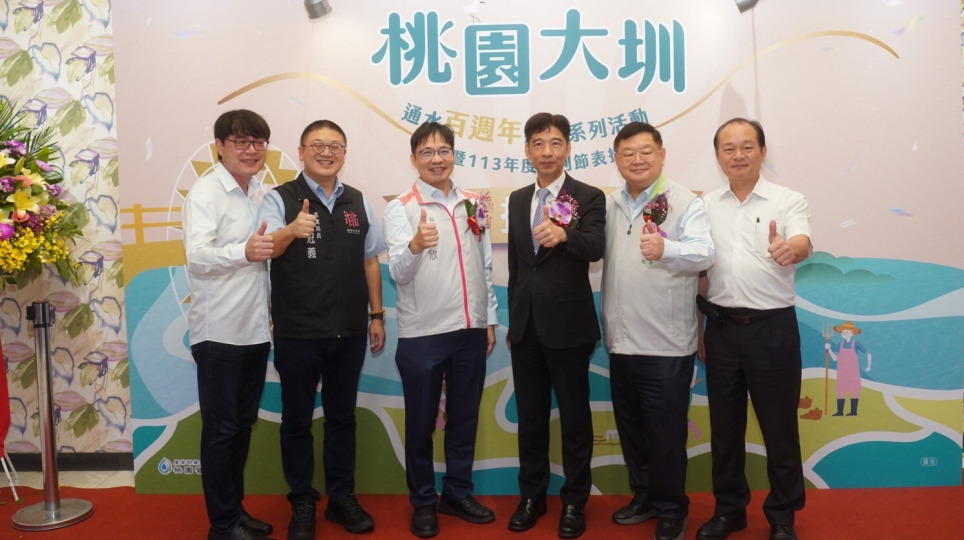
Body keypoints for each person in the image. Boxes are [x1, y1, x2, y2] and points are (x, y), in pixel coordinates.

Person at [259, 120, 385, 540]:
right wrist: (291, 230)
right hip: (298, 332)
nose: (326, 152)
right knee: (296, 420)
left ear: (344, 153)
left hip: (349, 332)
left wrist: (376, 315)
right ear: (301, 151)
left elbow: (370, 259)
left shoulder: (357, 201)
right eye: (317, 145)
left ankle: (341, 497)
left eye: (335, 146)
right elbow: (265, 248)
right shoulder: (280, 198)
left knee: (342, 418)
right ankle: (301, 501)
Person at [382, 121, 499, 538]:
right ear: (414, 159)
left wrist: (488, 319)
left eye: (444, 150)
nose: (437, 159)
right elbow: (398, 272)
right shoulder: (401, 207)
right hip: (423, 334)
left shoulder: (473, 203)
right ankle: (422, 501)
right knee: (421, 424)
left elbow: (485, 265)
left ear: (454, 154)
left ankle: (457, 493)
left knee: (464, 418)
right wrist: (415, 245)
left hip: (470, 330)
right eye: (427, 152)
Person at [696, 118, 811, 540]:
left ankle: (782, 516)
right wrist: (700, 325)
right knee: (725, 431)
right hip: (721, 329)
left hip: (772, 329)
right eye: (728, 148)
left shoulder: (788, 199)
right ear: (718, 156)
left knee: (780, 429)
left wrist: (789, 248)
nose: (738, 155)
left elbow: (803, 242)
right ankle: (730, 511)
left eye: (747, 146)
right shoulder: (704, 205)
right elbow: (701, 270)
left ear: (763, 152)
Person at [601, 122, 714, 540]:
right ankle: (644, 496)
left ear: (662, 155)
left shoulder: (685, 201)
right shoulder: (610, 205)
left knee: (666, 436)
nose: (637, 160)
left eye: (646, 151)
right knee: (632, 429)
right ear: (616, 160)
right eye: (628, 153)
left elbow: (705, 253)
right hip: (621, 341)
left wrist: (668, 249)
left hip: (667, 345)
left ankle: (671, 509)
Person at [505, 112, 606, 539]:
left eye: (555, 143)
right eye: (538, 143)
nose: (547, 151)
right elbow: (517, 266)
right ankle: (531, 497)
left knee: (574, 419)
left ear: (568, 148)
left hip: (569, 326)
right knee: (530, 418)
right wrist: (513, 320)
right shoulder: (516, 199)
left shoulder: (588, 195)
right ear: (527, 150)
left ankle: (575, 501)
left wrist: (566, 236)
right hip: (526, 327)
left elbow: (597, 246)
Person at [182, 109, 276, 540]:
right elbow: (197, 257)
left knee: (240, 427)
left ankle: (234, 511)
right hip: (218, 332)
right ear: (219, 146)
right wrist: (244, 251)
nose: (251, 150)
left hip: (254, 330)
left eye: (258, 142)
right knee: (221, 431)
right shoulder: (205, 193)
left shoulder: (260, 191)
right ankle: (222, 525)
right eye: (241, 141)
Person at [825, 321, 872, 416]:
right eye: (843, 332)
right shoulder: (840, 344)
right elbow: (835, 358)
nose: (844, 333)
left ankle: (853, 411)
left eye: (846, 331)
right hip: (842, 373)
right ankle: (840, 412)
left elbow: (868, 353)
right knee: (840, 391)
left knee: (854, 391)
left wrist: (869, 365)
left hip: (853, 373)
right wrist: (828, 349)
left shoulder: (856, 344)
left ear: (852, 333)